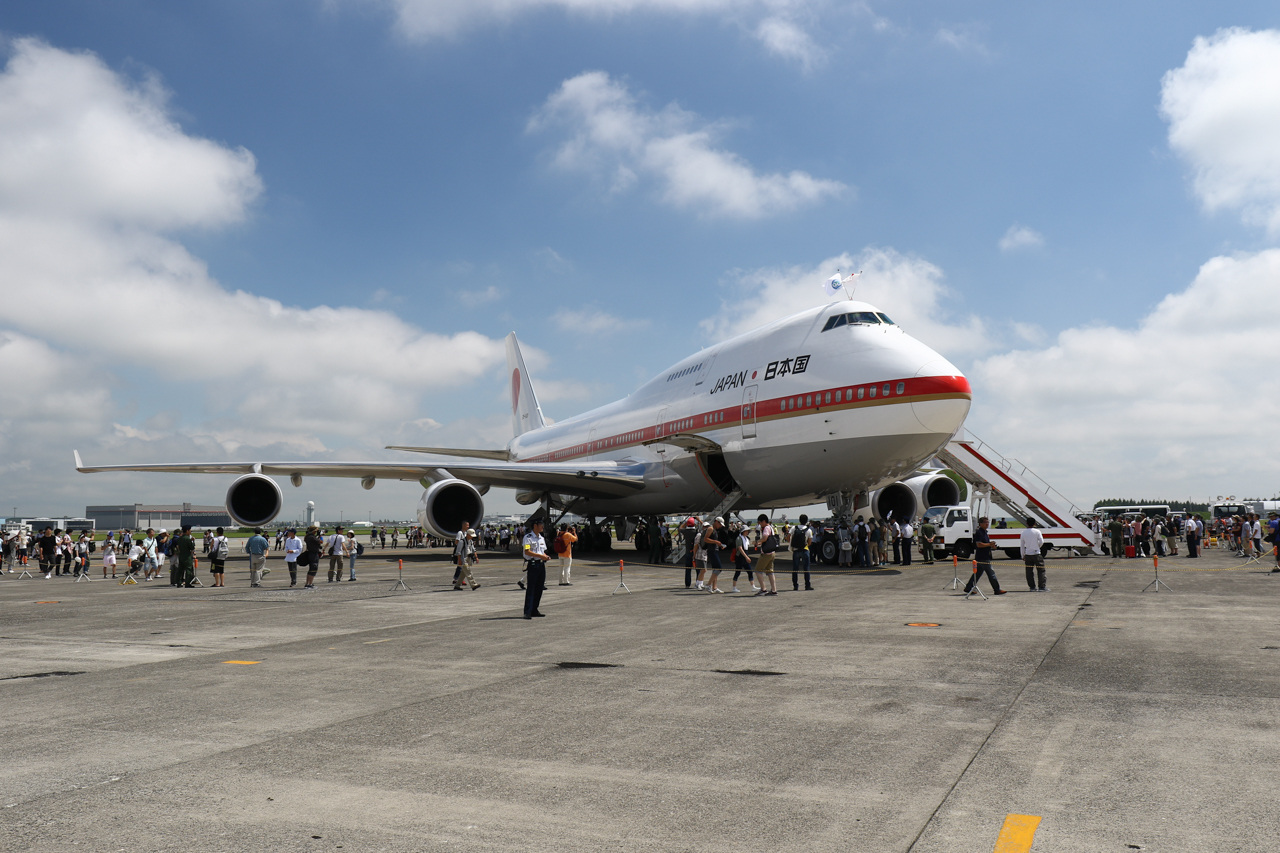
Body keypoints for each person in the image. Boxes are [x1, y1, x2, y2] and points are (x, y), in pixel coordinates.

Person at [963, 517, 1006, 595]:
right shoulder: (979, 533)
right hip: (983, 557)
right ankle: (997, 589)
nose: (987, 523)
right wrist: (989, 544)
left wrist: (991, 546)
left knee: (977, 573)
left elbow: (984, 544)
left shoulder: (985, 532)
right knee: (991, 573)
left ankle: (968, 587)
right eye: (985, 522)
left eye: (988, 522)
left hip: (982, 556)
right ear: (980, 523)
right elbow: (979, 544)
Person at [522, 519, 549, 618]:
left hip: (541, 565)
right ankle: (527, 611)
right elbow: (527, 551)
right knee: (531, 588)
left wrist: (545, 556)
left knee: (539, 588)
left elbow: (543, 551)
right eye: (541, 524)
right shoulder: (528, 538)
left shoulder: (541, 538)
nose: (543, 526)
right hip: (533, 564)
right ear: (535, 526)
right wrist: (541, 556)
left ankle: (534, 609)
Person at [754, 514, 778, 596]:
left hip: (766, 553)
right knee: (770, 571)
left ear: (764, 521)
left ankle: (763, 589)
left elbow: (765, 538)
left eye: (760, 522)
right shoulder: (771, 527)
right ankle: (774, 590)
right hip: (772, 552)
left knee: (758, 570)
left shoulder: (766, 528)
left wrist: (757, 542)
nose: (759, 524)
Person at [1020, 520, 1047, 591]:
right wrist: (1037, 547)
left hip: (1028, 554)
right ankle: (1042, 587)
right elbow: (1041, 541)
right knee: (1041, 571)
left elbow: (1022, 545)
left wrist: (1023, 555)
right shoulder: (1037, 531)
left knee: (1029, 572)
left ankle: (1032, 587)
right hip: (1036, 553)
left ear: (1026, 524)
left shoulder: (1023, 533)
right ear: (1035, 524)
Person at [453, 524, 480, 590]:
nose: (472, 537)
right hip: (463, 558)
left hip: (469, 558)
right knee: (468, 571)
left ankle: (457, 585)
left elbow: (473, 549)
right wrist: (460, 560)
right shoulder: (461, 541)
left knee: (463, 573)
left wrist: (476, 557)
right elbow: (458, 552)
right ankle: (473, 584)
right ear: (468, 535)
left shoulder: (470, 541)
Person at [703, 517, 727, 592]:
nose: (720, 526)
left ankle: (714, 587)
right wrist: (716, 542)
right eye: (720, 524)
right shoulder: (710, 528)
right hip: (711, 551)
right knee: (719, 568)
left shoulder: (715, 530)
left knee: (715, 569)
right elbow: (705, 539)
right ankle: (708, 585)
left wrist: (719, 545)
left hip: (714, 550)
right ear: (716, 521)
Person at [790, 514, 813, 591]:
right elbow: (810, 542)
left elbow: (788, 537)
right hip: (804, 550)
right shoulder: (809, 530)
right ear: (806, 521)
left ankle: (795, 586)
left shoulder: (794, 528)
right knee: (806, 569)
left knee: (795, 569)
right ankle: (807, 585)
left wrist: (793, 544)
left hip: (796, 550)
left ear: (799, 520)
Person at [730, 523, 755, 592]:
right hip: (740, 557)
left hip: (744, 556)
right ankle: (734, 587)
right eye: (746, 531)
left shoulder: (746, 538)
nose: (747, 532)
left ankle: (753, 586)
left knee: (750, 571)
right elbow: (740, 549)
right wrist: (746, 557)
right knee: (737, 572)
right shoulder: (739, 538)